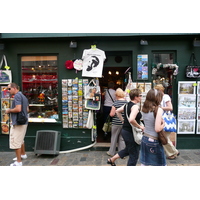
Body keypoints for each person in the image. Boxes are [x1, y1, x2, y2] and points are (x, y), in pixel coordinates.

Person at [107, 88, 144, 166]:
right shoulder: (135, 107)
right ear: (136, 97)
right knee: (134, 155)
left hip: (126, 131)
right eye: (140, 96)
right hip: (131, 132)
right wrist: (140, 126)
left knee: (129, 149)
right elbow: (131, 119)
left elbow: (117, 111)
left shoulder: (127, 104)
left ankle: (112, 159)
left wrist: (123, 120)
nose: (141, 97)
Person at [140, 89, 166, 166]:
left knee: (145, 164)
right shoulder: (158, 110)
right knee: (161, 165)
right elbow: (157, 129)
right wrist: (163, 124)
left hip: (145, 138)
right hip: (154, 140)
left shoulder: (145, 108)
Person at [5, 83, 29, 166]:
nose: (8, 91)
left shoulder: (17, 96)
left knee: (16, 141)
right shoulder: (23, 96)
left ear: (14, 88)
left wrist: (9, 110)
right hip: (23, 121)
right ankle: (23, 154)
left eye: (9, 89)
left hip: (18, 123)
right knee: (20, 139)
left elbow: (18, 109)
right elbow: (27, 109)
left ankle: (18, 162)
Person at [154, 84, 179, 160]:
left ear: (161, 90)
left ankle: (172, 153)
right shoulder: (158, 97)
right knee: (164, 137)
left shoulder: (166, 97)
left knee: (164, 137)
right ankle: (174, 152)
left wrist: (159, 108)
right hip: (160, 118)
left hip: (165, 119)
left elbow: (170, 107)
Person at [106, 88, 127, 157]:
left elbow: (111, 114)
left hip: (116, 123)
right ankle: (121, 153)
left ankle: (111, 152)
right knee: (122, 139)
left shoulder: (115, 103)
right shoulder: (126, 103)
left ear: (117, 95)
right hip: (124, 123)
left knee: (114, 137)